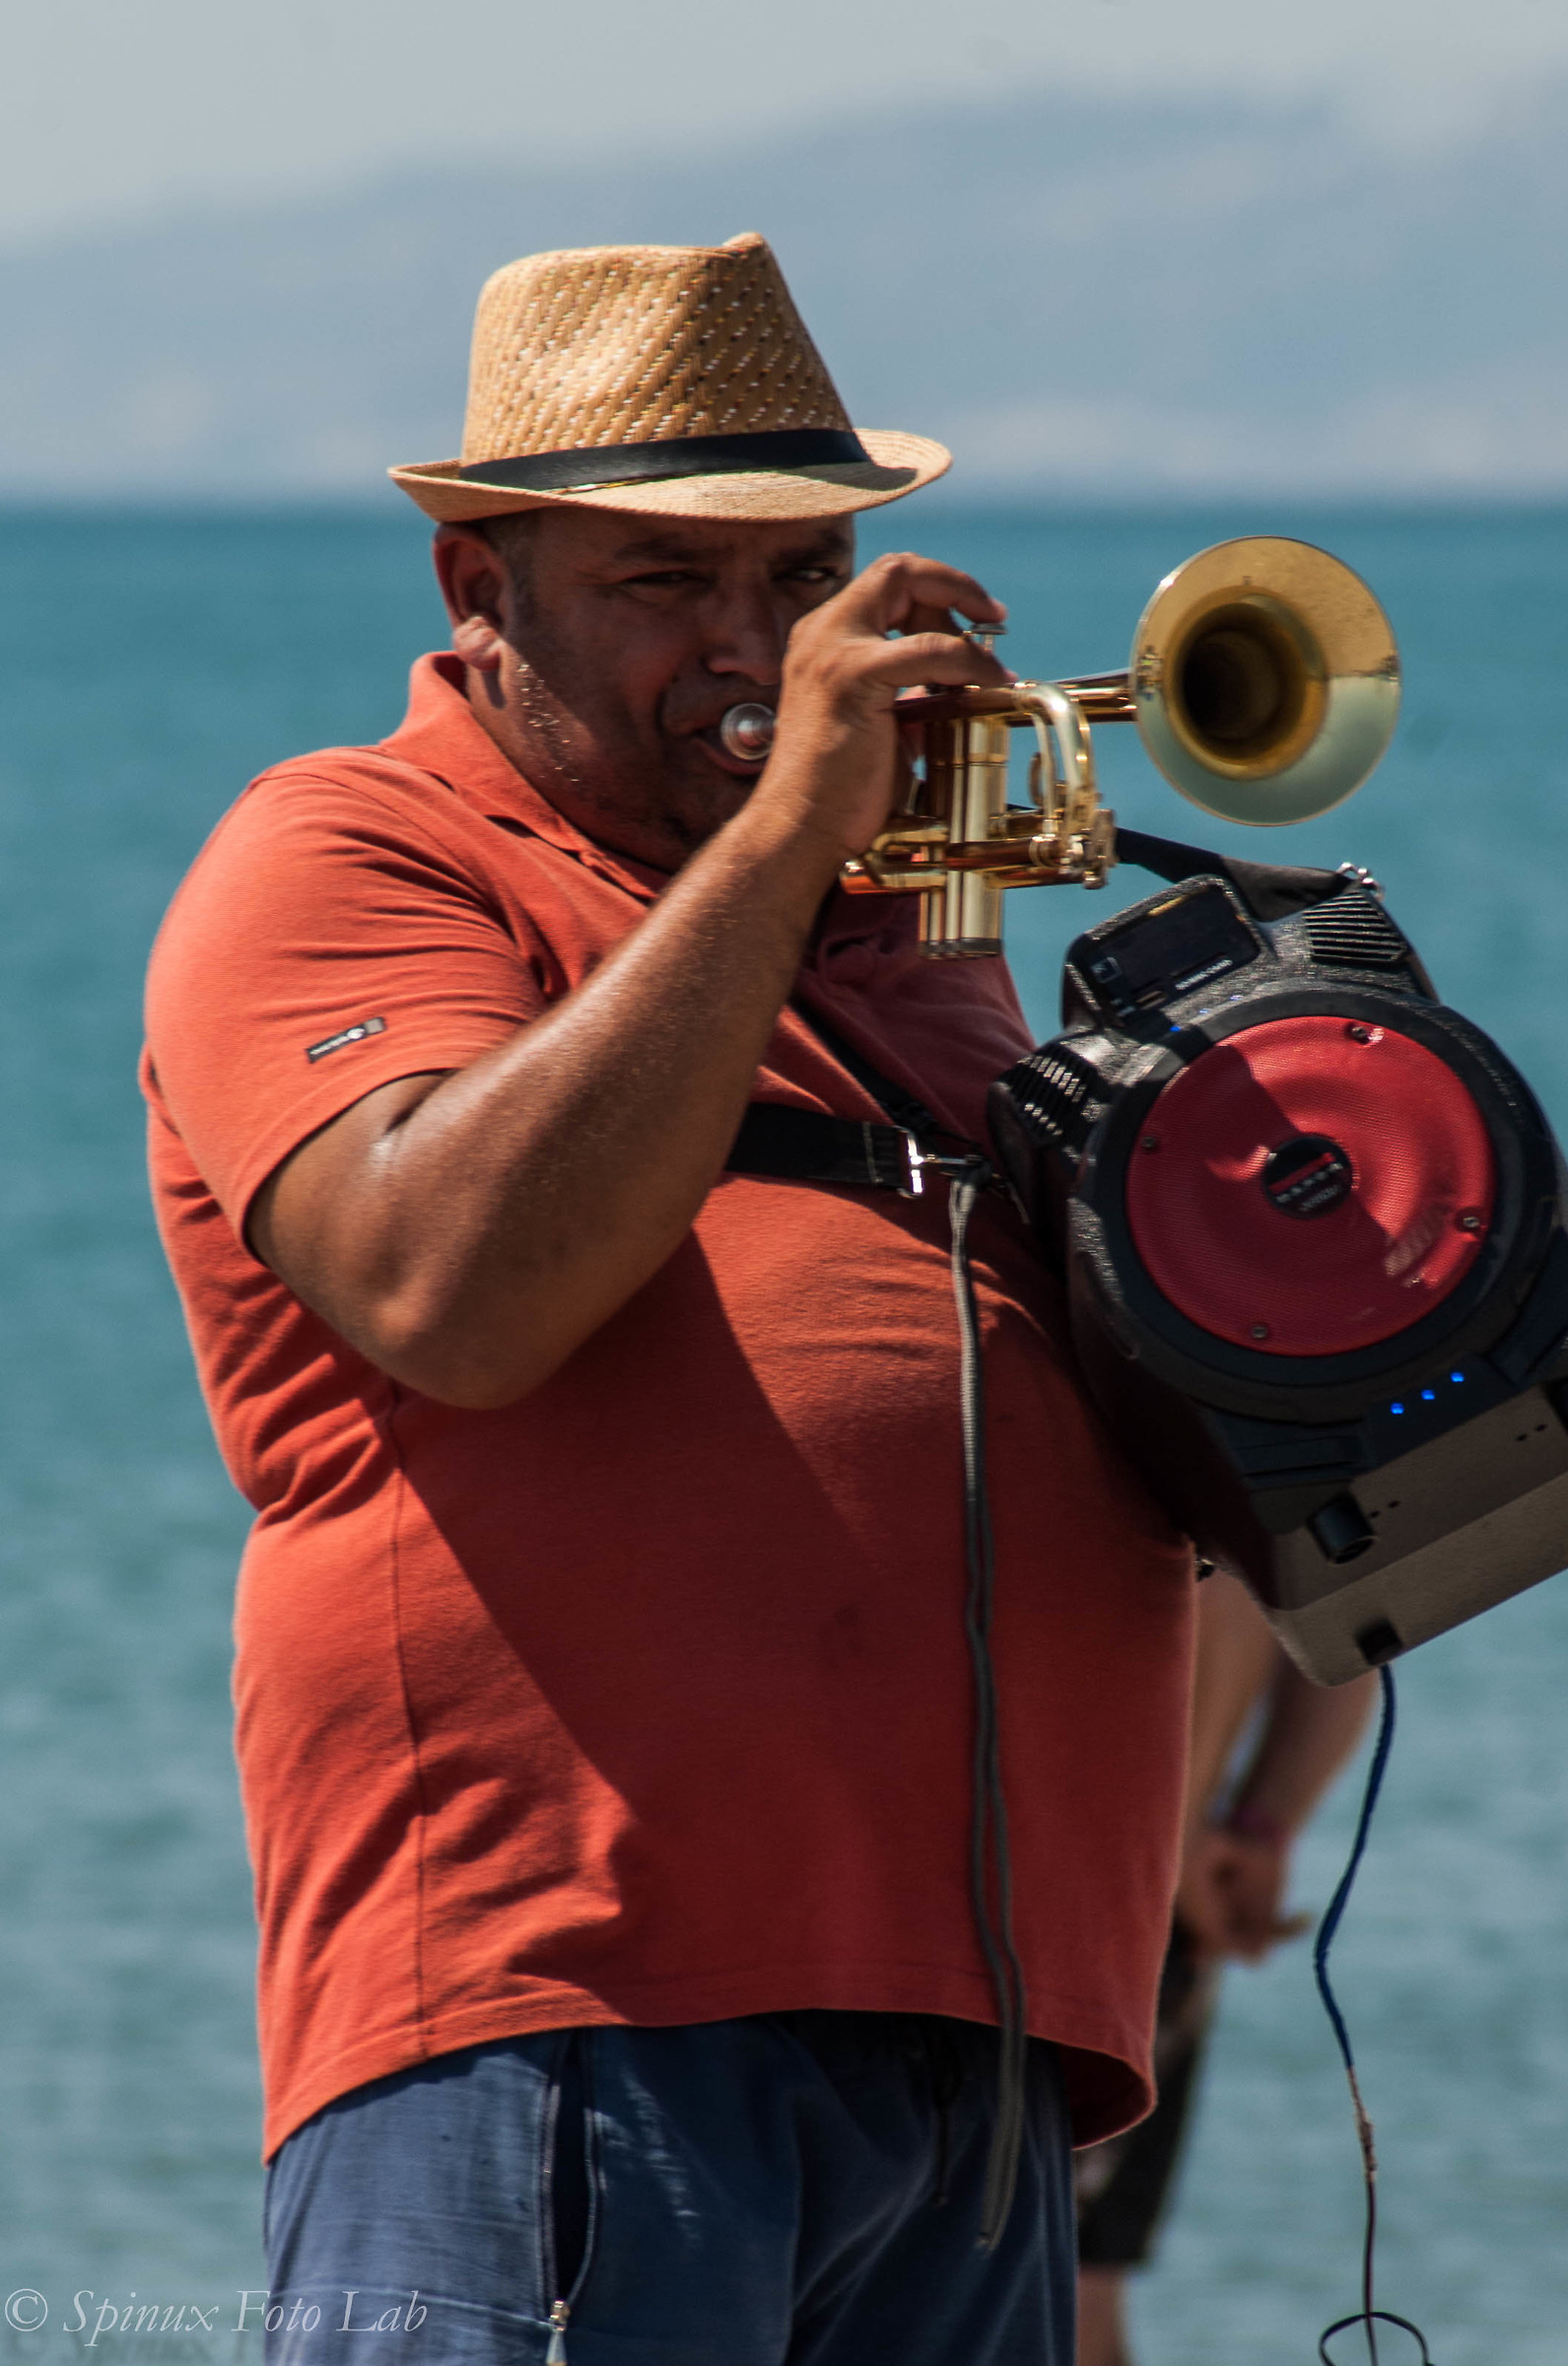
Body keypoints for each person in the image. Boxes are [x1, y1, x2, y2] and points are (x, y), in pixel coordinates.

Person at [141, 234, 1196, 2364]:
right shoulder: (348, 853)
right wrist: (794, 830)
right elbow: (451, 1283)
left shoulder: (918, 931)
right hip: (569, 2008)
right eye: (664, 587)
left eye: (802, 578)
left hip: (975, 2039)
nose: (755, 646)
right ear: (478, 586)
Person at [1074, 1577, 1376, 2366]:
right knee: (1085, 2290)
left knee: (1022, 2291)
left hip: (1079, 1905)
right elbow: (1359, 1618)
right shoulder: (1302, 1444)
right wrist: (1261, 1825)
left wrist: (1173, 1841)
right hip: (1165, 1919)